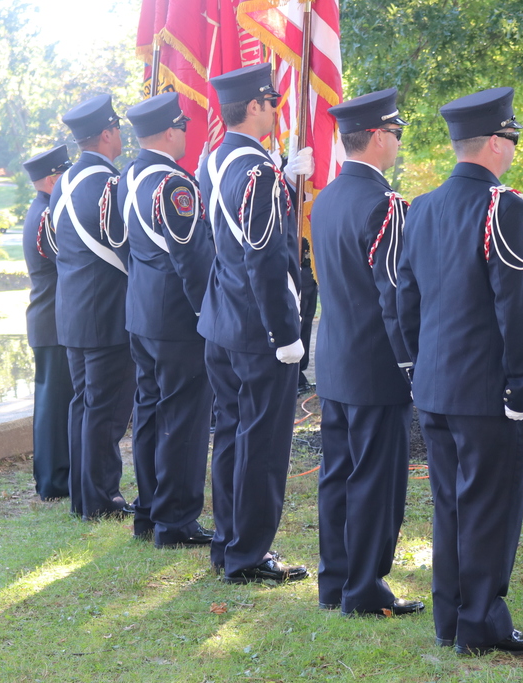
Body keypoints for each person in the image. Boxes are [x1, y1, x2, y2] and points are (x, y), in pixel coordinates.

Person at [397, 87, 523, 655]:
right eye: (511, 140)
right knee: (488, 506)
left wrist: (417, 367)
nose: (512, 150)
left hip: (435, 386)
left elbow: (405, 299)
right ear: (492, 143)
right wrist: (519, 387)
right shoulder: (504, 206)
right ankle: (480, 623)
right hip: (486, 391)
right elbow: (518, 308)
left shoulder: (423, 207)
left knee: (450, 507)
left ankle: (450, 620)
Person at [198, 63, 313, 584]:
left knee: (230, 437)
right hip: (258, 328)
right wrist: (286, 335)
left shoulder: (216, 160)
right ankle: (249, 555)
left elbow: (238, 226)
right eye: (272, 101)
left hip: (223, 321)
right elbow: (265, 258)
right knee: (262, 444)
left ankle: (228, 543)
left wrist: (285, 178)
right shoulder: (259, 172)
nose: (277, 108)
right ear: (253, 107)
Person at [310, 88, 423, 618]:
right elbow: (394, 293)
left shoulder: (328, 196)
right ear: (377, 136)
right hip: (376, 365)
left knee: (338, 476)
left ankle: (335, 581)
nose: (398, 143)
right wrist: (412, 363)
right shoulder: (383, 204)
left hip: (335, 358)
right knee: (377, 482)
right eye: (396, 134)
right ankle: (366, 589)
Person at [119, 92, 216, 547]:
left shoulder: (129, 176)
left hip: (141, 314)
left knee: (151, 415)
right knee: (183, 419)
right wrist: (208, 315)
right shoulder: (173, 184)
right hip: (177, 321)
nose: (187, 134)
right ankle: (175, 522)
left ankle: (149, 513)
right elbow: (192, 261)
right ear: (172, 130)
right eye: (185, 126)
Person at [50, 94, 136, 520]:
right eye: (117, 128)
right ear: (106, 133)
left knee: (84, 405)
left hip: (74, 311)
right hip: (105, 312)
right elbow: (128, 247)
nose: (120, 135)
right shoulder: (107, 185)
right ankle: (102, 500)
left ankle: (85, 498)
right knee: (105, 411)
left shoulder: (63, 182)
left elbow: (53, 246)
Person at [21, 145, 74, 501]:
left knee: (51, 402)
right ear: (54, 178)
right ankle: (54, 481)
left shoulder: (40, 210)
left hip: (47, 320)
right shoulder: (47, 215)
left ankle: (52, 477)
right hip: (53, 320)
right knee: (54, 406)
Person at [297, 237, 317, 394]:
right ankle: (294, 374)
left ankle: (300, 372)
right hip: (296, 266)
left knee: (307, 322)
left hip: (310, 268)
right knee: (299, 322)